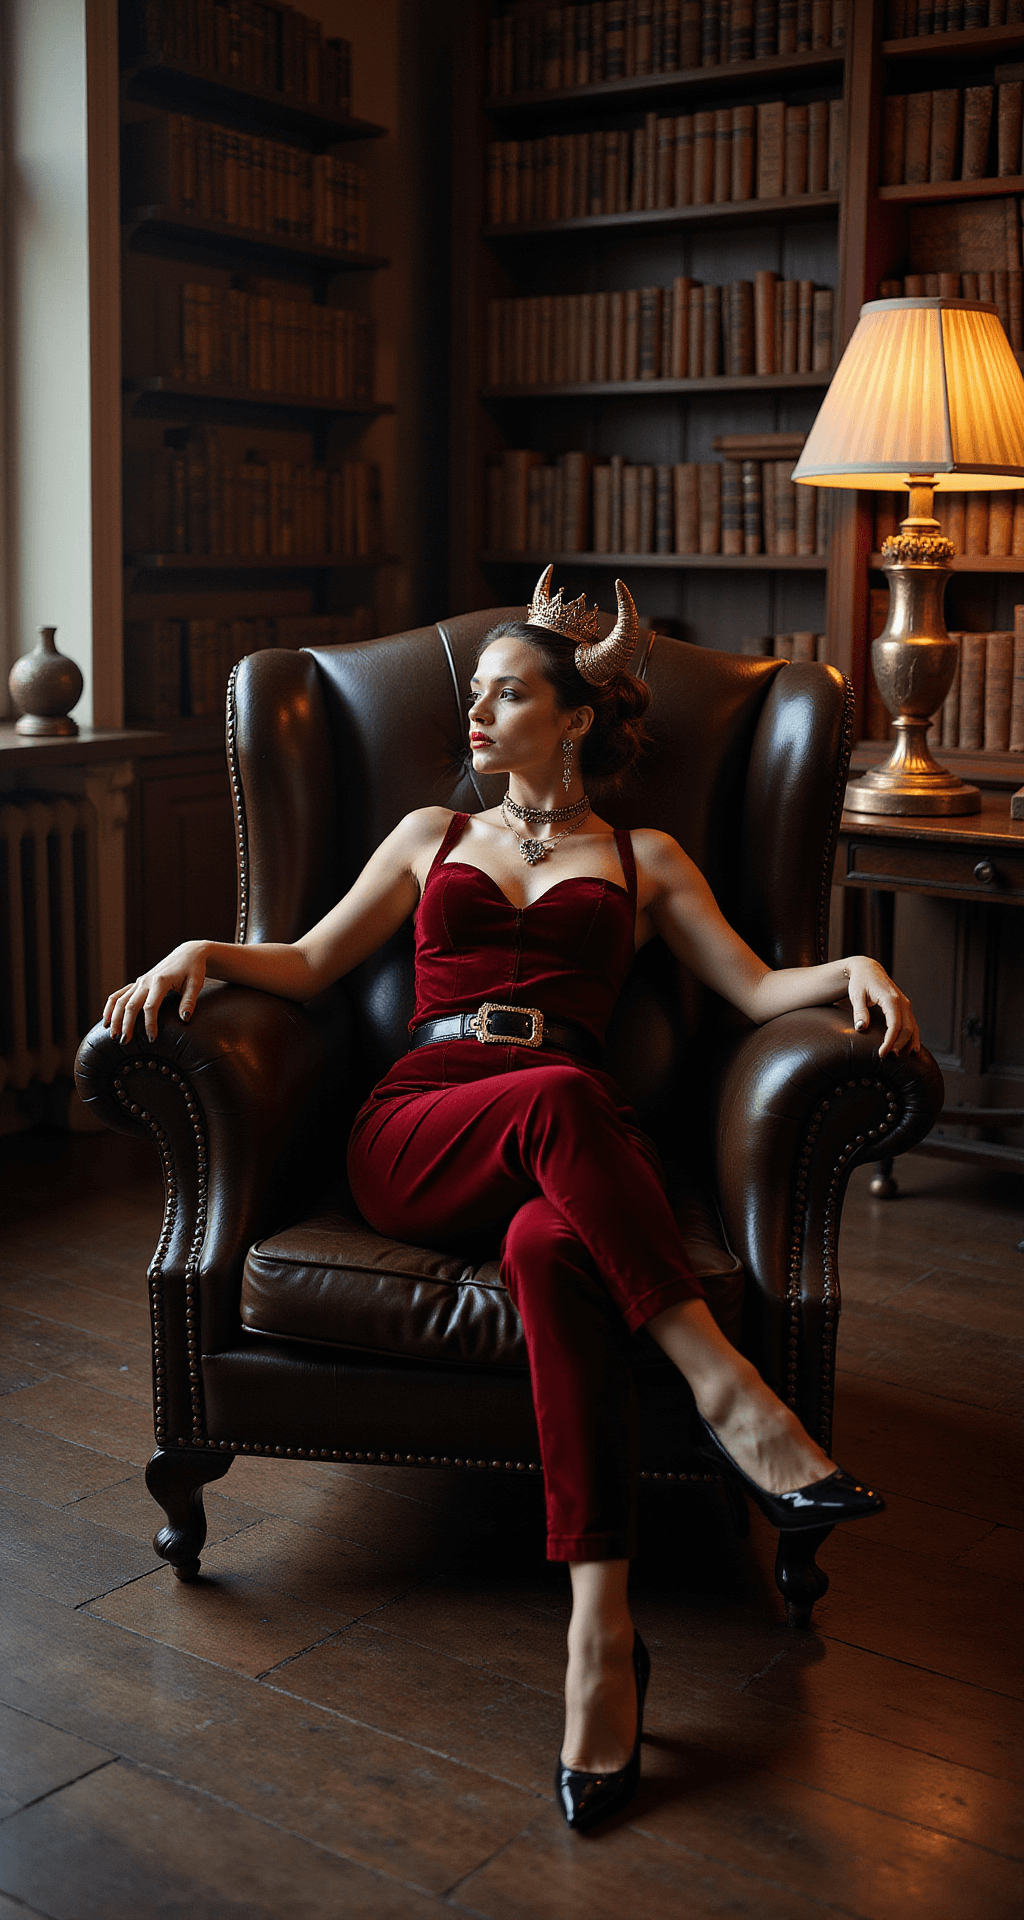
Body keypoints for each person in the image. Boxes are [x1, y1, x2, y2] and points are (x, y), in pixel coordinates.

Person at [103, 568, 920, 1834]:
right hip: (422, 1131)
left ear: (574, 715)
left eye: (503, 696)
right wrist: (198, 950)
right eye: (471, 698)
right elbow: (313, 963)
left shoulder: (645, 859)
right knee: (558, 1099)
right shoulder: (430, 837)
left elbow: (758, 992)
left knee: (555, 1247)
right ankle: (727, 1392)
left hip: (570, 1150)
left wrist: (860, 958)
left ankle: (602, 1634)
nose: (474, 719)